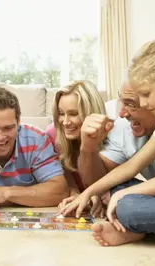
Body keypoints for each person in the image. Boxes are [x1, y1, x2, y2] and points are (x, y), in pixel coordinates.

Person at [60, 38, 155, 246]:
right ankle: (136, 230)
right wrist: (88, 193)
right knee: (116, 187)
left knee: (129, 206)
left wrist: (123, 195)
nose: (142, 104)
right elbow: (132, 166)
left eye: (146, 94)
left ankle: (137, 229)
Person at [59, 73, 155, 211]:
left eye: (131, 104)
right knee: (111, 191)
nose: (122, 113)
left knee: (123, 203)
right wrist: (88, 147)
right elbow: (104, 180)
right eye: (122, 102)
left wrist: (121, 194)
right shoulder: (124, 126)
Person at [45, 80, 106, 217]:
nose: (65, 122)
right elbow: (66, 180)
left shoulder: (113, 135)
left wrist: (95, 196)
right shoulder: (53, 134)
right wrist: (75, 194)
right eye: (61, 113)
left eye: (73, 114)